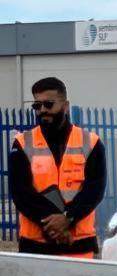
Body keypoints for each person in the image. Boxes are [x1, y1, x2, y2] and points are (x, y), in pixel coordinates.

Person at [10, 77, 106, 258]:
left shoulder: (91, 142)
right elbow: (21, 193)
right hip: (36, 246)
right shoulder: (22, 143)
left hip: (78, 244)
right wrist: (55, 227)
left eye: (48, 104)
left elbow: (94, 190)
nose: (42, 110)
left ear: (65, 105)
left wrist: (68, 218)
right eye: (37, 106)